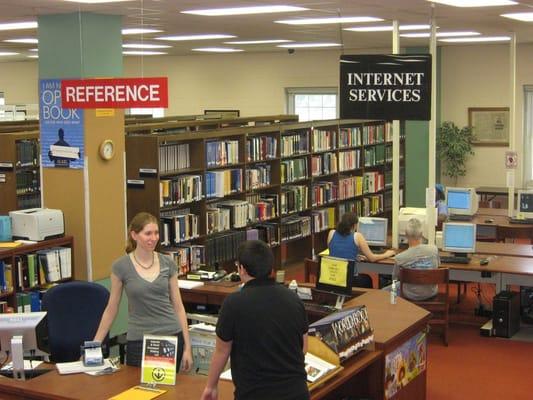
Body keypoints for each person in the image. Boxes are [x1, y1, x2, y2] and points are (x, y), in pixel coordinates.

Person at [201, 240, 309, 400]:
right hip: (296, 392)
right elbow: (303, 348)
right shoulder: (293, 299)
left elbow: (222, 351)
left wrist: (211, 386)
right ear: (271, 268)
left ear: (242, 269)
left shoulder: (233, 303)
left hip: (254, 393)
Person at [93, 212, 192, 370]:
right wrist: (96, 344)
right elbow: (111, 309)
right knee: (138, 390)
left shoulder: (168, 263)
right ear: (134, 235)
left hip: (170, 336)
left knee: (166, 391)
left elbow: (179, 307)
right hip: (139, 339)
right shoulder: (121, 267)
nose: (153, 238)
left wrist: (188, 347)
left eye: (156, 233)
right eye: (148, 233)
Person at [327, 212, 395, 288]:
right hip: (350, 280)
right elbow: (372, 258)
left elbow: (335, 252)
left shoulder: (331, 233)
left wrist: (353, 256)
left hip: (333, 277)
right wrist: (387, 254)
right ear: (354, 225)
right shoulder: (357, 236)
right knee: (367, 279)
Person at [393, 218, 440, 301]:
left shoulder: (400, 258)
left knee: (384, 291)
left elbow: (395, 277)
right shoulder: (434, 250)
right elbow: (438, 266)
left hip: (409, 294)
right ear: (421, 234)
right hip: (431, 292)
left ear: (406, 234)